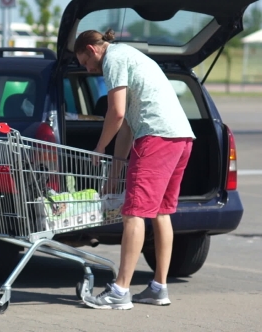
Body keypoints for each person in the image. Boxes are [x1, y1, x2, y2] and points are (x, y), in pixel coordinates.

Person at [74, 29, 195, 310]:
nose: (88, 70)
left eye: (84, 63)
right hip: (181, 138)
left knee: (133, 214)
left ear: (92, 50)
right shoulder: (131, 56)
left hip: (155, 138)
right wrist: (115, 173)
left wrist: (100, 147)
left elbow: (115, 113)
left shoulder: (113, 59)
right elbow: (127, 123)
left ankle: (119, 291)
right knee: (161, 213)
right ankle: (158, 288)